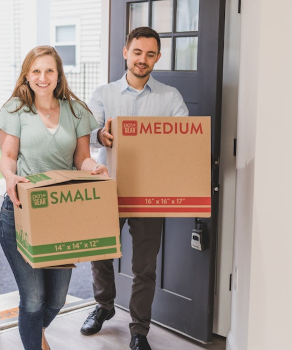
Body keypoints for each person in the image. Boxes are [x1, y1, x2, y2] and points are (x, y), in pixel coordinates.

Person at [80, 27, 189, 350]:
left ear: (157, 58)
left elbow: (185, 140)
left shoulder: (170, 97)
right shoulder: (103, 93)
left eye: (150, 54)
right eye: (138, 52)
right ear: (126, 52)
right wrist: (101, 135)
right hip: (108, 188)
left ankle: (139, 329)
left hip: (149, 193)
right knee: (100, 254)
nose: (143, 60)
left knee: (144, 266)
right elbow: (86, 134)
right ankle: (104, 305)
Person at [0, 45, 109, 350]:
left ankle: (34, 330)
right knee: (32, 299)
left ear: (59, 75)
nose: (42, 77)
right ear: (27, 75)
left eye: (49, 70)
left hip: (60, 213)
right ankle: (35, 341)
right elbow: (7, 158)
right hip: (20, 213)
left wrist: (95, 168)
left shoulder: (76, 111)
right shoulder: (15, 111)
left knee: (56, 299)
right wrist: (10, 177)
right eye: (36, 71)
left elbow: (82, 158)